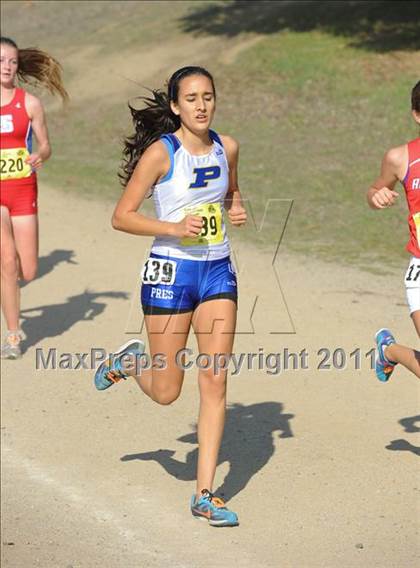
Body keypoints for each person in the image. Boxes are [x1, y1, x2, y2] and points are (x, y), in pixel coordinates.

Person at [94, 66, 247, 526]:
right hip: (170, 273)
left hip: (218, 272)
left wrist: (235, 206)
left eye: (209, 96)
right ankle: (129, 362)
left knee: (215, 380)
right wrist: (174, 228)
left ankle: (205, 494)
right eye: (192, 98)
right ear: (176, 106)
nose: (202, 105)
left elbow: (232, 192)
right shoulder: (163, 153)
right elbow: (122, 216)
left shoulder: (229, 147)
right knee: (166, 392)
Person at [0, 36, 68, 359]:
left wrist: (41, 154)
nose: (7, 66)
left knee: (28, 271)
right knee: (7, 262)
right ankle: (13, 336)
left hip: (24, 190)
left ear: (18, 65)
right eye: (1, 60)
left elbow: (46, 145)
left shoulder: (30, 104)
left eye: (11, 61)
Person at [367, 80, 420, 381]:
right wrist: (377, 196)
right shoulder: (401, 158)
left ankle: (389, 351)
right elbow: (375, 189)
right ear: (417, 114)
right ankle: (390, 351)